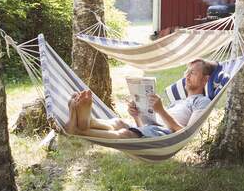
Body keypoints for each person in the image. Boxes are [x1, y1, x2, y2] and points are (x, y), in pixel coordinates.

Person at [64, 59, 217, 139]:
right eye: (186, 72)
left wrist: (161, 111)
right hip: (150, 130)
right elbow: (144, 128)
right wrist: (136, 116)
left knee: (124, 134)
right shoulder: (178, 102)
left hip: (163, 134)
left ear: (205, 79)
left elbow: (186, 133)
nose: (186, 76)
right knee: (119, 122)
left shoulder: (202, 101)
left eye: (192, 73)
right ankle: (87, 122)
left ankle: (78, 130)